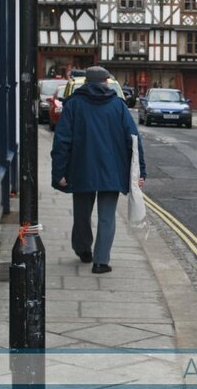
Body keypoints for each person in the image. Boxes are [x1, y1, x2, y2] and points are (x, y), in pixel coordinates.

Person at [51, 66, 146, 274]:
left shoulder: (74, 104)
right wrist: (140, 173)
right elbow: (134, 141)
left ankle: (83, 249)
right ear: (105, 82)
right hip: (112, 170)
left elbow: (62, 141)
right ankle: (101, 261)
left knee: (82, 214)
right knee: (107, 216)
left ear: (86, 83)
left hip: (81, 168)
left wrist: (59, 172)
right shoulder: (118, 106)